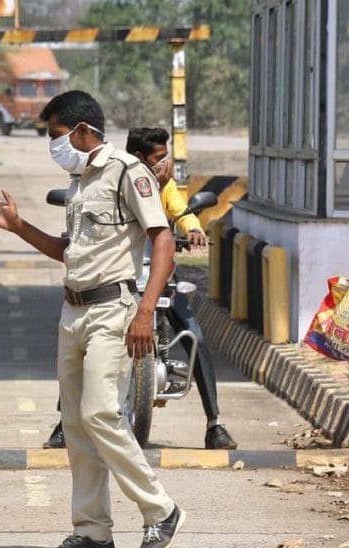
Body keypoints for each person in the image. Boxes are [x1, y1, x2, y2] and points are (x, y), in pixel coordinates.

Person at [0, 91, 185, 548]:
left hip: (114, 310)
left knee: (100, 414)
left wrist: (146, 311)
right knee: (76, 425)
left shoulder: (126, 172)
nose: (53, 146)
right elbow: (68, 250)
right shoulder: (79, 179)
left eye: (56, 135)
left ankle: (161, 508)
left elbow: (163, 241)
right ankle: (93, 533)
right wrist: (18, 226)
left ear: (83, 130)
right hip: (73, 312)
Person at [43, 127, 237, 451]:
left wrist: (193, 229)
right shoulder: (112, 182)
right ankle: (66, 420)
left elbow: (180, 211)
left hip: (156, 280)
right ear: (138, 159)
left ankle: (214, 423)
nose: (166, 164)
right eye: (160, 158)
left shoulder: (164, 187)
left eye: (166, 157)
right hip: (117, 284)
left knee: (195, 337)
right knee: (81, 345)